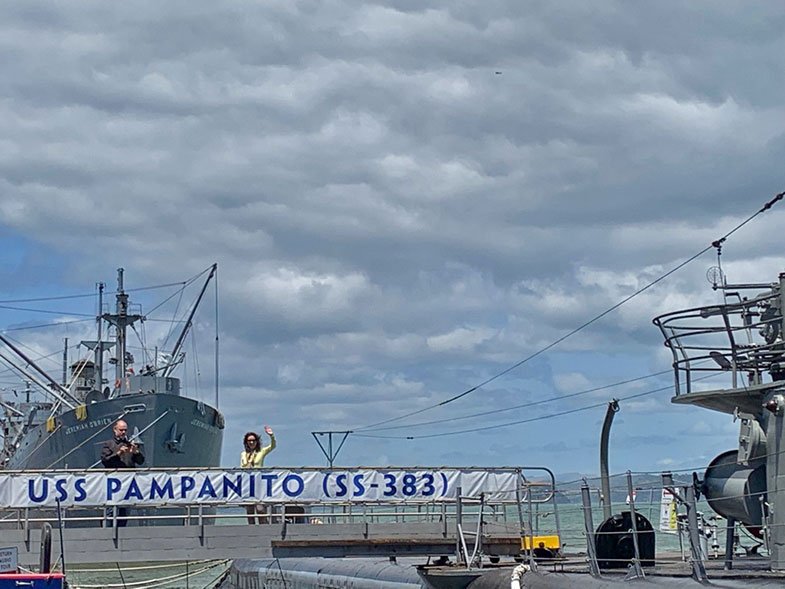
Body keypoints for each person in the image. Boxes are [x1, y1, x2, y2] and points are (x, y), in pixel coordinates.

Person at [101, 419, 145, 526]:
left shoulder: (130, 444)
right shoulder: (109, 444)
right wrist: (119, 453)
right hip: (113, 484)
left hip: (127, 484)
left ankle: (121, 533)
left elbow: (141, 461)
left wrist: (136, 452)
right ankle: (106, 533)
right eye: (121, 430)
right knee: (110, 512)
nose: (123, 432)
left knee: (124, 513)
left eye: (125, 430)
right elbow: (105, 461)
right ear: (115, 430)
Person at [241, 425, 276, 524]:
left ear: (257, 441)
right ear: (246, 442)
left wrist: (271, 436)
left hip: (259, 483)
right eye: (249, 441)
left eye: (253, 440)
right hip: (247, 484)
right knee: (250, 510)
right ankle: (251, 531)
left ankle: (263, 527)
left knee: (260, 509)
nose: (251, 442)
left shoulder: (261, 451)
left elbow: (273, 446)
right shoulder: (243, 454)